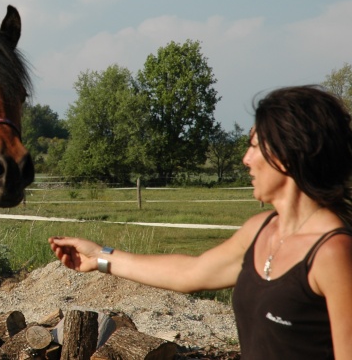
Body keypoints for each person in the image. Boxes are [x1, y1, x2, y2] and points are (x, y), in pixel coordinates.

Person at [49, 85, 352, 359]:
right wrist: (99, 256)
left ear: (289, 153)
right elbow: (190, 273)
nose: (246, 159)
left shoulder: (333, 252)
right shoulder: (260, 230)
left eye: (255, 146)